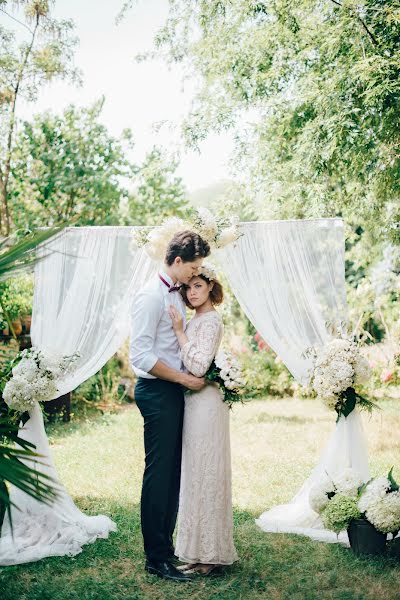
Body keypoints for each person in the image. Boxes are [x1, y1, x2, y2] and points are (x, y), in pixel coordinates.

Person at [130, 230, 210, 583]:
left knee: (172, 475)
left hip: (173, 390)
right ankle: (156, 558)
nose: (196, 275)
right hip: (157, 391)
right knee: (159, 475)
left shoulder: (177, 294)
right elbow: (141, 355)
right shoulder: (150, 297)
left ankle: (167, 548)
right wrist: (183, 380)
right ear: (177, 262)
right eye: (193, 268)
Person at [168, 265, 238, 576]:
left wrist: (180, 334)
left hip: (208, 406)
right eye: (189, 288)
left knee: (207, 471)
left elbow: (197, 366)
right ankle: (195, 552)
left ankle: (211, 554)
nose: (192, 292)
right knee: (195, 473)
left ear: (210, 286)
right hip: (193, 403)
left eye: (198, 286)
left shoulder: (211, 321)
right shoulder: (198, 319)